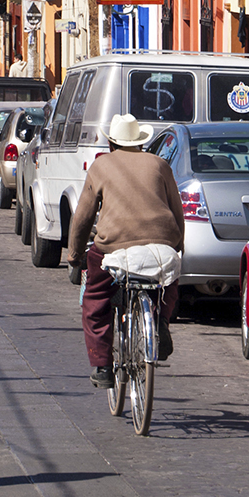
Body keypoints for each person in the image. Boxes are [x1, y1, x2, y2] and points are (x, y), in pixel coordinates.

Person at [67, 113, 183, 389]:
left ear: (111, 144)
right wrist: (177, 248)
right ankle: (161, 322)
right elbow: (177, 213)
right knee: (167, 282)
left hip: (113, 247)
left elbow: (83, 217)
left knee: (95, 301)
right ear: (140, 144)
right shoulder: (160, 164)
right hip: (161, 244)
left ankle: (103, 365)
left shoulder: (101, 166)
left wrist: (73, 256)